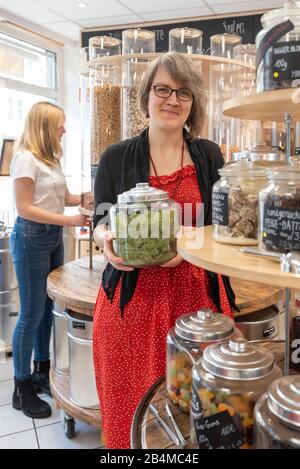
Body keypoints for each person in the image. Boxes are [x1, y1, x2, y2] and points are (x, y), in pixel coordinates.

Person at [92, 52, 237, 448]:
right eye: (163, 90)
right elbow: (101, 220)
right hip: (133, 307)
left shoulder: (209, 155)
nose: (173, 100)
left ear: (193, 104)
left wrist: (189, 244)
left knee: (204, 413)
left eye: (184, 93)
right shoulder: (116, 157)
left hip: (198, 303)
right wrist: (105, 241)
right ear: (146, 97)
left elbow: (223, 223)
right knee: (135, 412)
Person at [9, 102, 87, 419]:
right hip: (30, 237)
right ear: (45, 126)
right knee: (30, 313)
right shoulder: (24, 159)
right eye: (60, 125)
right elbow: (25, 208)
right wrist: (68, 221)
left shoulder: (50, 160)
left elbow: (64, 197)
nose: (64, 130)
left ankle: (42, 369)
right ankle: (21, 387)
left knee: (47, 309)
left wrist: (87, 196)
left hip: (52, 237)